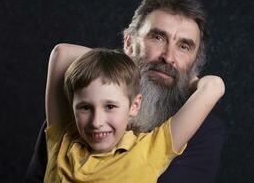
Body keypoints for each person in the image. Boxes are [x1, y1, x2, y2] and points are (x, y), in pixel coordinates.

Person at [26, 0, 226, 183]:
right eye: (157, 37)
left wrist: (189, 80)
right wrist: (116, 69)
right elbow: (62, 54)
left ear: (194, 63)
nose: (168, 57)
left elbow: (213, 86)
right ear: (129, 43)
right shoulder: (78, 116)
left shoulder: (201, 132)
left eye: (184, 47)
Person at [44, 48, 224, 182]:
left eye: (110, 106)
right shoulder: (62, 139)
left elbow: (214, 86)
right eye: (85, 108)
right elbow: (61, 52)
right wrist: (114, 65)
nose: (96, 122)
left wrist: (183, 80)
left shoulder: (149, 151)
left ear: (134, 106)